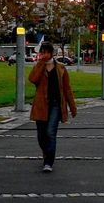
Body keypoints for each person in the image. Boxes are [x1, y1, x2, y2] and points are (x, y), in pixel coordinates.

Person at [29, 42, 77, 172]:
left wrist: (72, 107)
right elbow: (33, 79)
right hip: (41, 105)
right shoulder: (39, 67)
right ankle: (46, 152)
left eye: (45, 52)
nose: (43, 55)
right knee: (41, 135)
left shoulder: (60, 68)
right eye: (41, 52)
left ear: (51, 53)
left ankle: (49, 161)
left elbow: (67, 89)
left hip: (56, 104)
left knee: (51, 132)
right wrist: (40, 63)